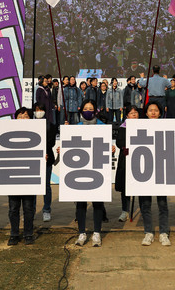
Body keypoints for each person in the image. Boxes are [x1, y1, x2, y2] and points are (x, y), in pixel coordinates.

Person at [70, 100, 106, 247]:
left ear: (95, 111)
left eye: (91, 108)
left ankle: (97, 233)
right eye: (86, 108)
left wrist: (111, 149)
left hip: (97, 167)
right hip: (81, 169)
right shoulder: (75, 127)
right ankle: (81, 233)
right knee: (81, 202)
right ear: (81, 110)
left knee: (97, 202)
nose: (88, 111)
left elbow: (107, 145)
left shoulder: (103, 127)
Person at [137, 102, 171, 246]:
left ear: (160, 112)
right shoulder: (139, 127)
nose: (153, 112)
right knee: (145, 204)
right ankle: (148, 232)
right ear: (146, 113)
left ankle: (164, 233)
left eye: (156, 110)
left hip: (161, 170)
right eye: (150, 110)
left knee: (162, 203)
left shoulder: (166, 127)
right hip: (144, 170)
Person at [7, 107, 38, 245]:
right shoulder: (8, 132)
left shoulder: (38, 132)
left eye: (26, 116)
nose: (22, 118)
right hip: (13, 175)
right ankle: (14, 234)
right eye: (20, 116)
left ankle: (28, 234)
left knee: (28, 208)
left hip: (30, 175)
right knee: (13, 208)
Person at [115, 106, 140, 223]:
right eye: (131, 113)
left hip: (140, 159)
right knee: (125, 187)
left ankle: (143, 210)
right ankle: (125, 211)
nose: (134, 115)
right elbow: (119, 142)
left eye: (136, 113)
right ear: (127, 116)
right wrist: (126, 147)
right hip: (125, 159)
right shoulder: (122, 128)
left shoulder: (143, 126)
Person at [34, 102, 58, 222]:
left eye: (41, 109)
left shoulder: (51, 125)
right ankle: (31, 210)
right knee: (32, 186)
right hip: (32, 159)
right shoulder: (30, 125)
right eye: (36, 109)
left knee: (46, 185)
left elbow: (51, 142)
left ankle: (46, 210)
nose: (39, 112)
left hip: (47, 158)